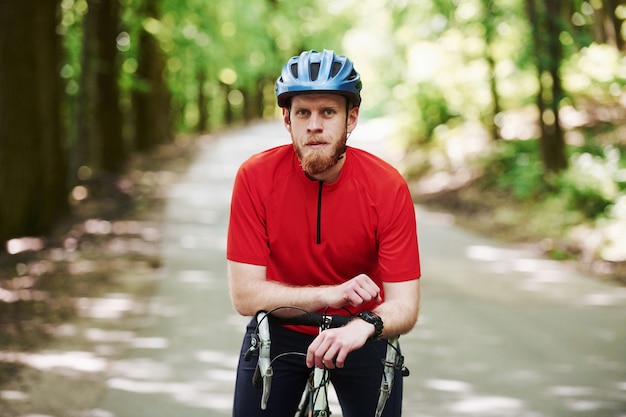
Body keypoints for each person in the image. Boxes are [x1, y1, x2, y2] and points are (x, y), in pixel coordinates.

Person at [226, 49, 421, 417]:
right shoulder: (254, 178)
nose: (314, 125)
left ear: (352, 118)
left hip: (362, 330)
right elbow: (245, 295)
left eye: (328, 112)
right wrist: (333, 293)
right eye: (303, 112)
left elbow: (405, 305)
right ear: (287, 119)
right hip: (280, 328)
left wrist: (363, 325)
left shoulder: (387, 187)